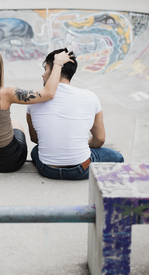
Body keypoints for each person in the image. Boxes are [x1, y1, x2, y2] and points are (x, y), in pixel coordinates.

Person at [0, 47, 73, 173]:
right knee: (15, 123)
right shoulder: (7, 93)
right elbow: (49, 93)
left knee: (11, 123)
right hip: (10, 161)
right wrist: (58, 63)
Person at [26, 48, 124, 180]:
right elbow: (100, 139)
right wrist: (76, 144)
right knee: (117, 157)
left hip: (47, 169)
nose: (43, 75)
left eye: (46, 69)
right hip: (80, 170)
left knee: (35, 150)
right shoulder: (90, 97)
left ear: (55, 69)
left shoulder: (34, 100)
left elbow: (36, 139)